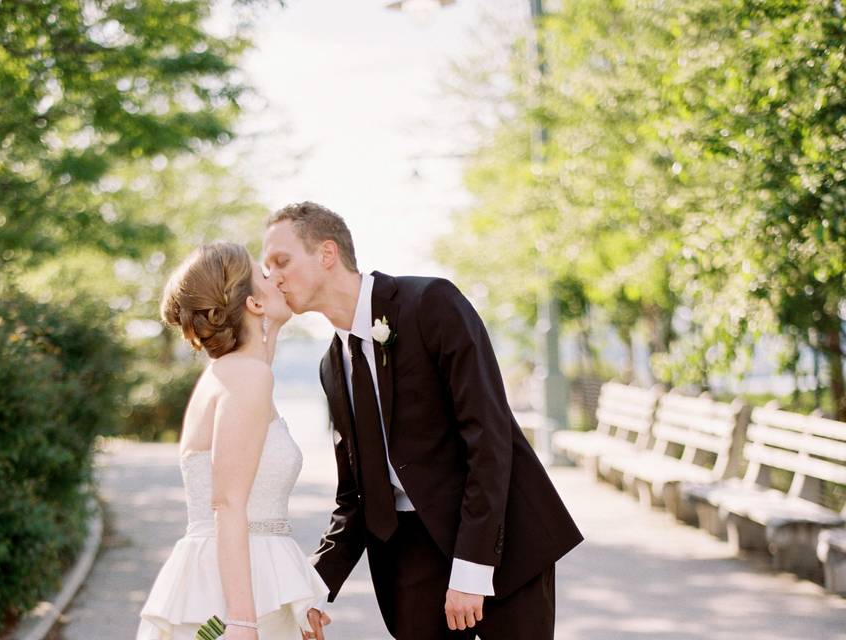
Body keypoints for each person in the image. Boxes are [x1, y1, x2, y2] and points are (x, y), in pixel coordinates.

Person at [263, 202, 584, 640]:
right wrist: (314, 588)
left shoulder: (431, 304)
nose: (273, 277)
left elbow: (489, 438)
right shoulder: (331, 365)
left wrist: (472, 567)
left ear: (326, 253)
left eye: (282, 261)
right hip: (409, 554)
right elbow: (355, 495)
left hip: (502, 539)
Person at [136, 242, 330, 640]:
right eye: (264, 275)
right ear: (253, 305)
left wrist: (272, 326)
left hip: (249, 574)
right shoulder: (246, 378)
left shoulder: (238, 374)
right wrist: (241, 621)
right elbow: (227, 502)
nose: (277, 278)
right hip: (237, 594)